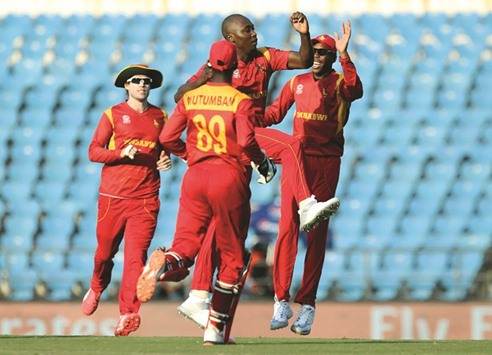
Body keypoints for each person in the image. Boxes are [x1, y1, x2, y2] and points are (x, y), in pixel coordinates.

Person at [173, 12, 341, 330]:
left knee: (224, 224)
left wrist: (305, 34)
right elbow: (180, 95)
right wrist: (206, 78)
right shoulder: (218, 69)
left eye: (252, 27)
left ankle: (197, 296)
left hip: (244, 146)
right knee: (292, 146)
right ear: (231, 39)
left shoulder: (265, 57)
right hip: (235, 134)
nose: (254, 33)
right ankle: (307, 206)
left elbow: (303, 59)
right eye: (247, 29)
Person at [136, 39, 277, 345]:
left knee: (185, 245)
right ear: (236, 65)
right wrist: (262, 162)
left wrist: (189, 155)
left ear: (210, 65)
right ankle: (216, 327)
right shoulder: (240, 100)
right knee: (233, 259)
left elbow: (167, 137)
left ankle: (166, 264)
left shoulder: (191, 99)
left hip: (195, 176)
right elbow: (245, 143)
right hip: (228, 178)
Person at [264, 21, 363, 335]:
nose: (318, 56)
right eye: (315, 51)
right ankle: (281, 299)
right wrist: (246, 115)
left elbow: (355, 90)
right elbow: (273, 115)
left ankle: (307, 304)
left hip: (326, 162)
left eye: (324, 52)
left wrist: (346, 56)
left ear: (332, 57)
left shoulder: (337, 83)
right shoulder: (297, 82)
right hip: (297, 161)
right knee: (286, 229)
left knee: (316, 234)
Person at [82, 64, 172, 336]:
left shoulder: (161, 116)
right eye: (136, 81)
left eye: (146, 81)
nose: (142, 85)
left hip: (145, 199)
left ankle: (128, 313)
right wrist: (120, 154)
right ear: (126, 86)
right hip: (113, 197)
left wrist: (165, 159)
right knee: (104, 254)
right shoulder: (112, 114)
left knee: (136, 258)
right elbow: (93, 152)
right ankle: (97, 286)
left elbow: (165, 151)